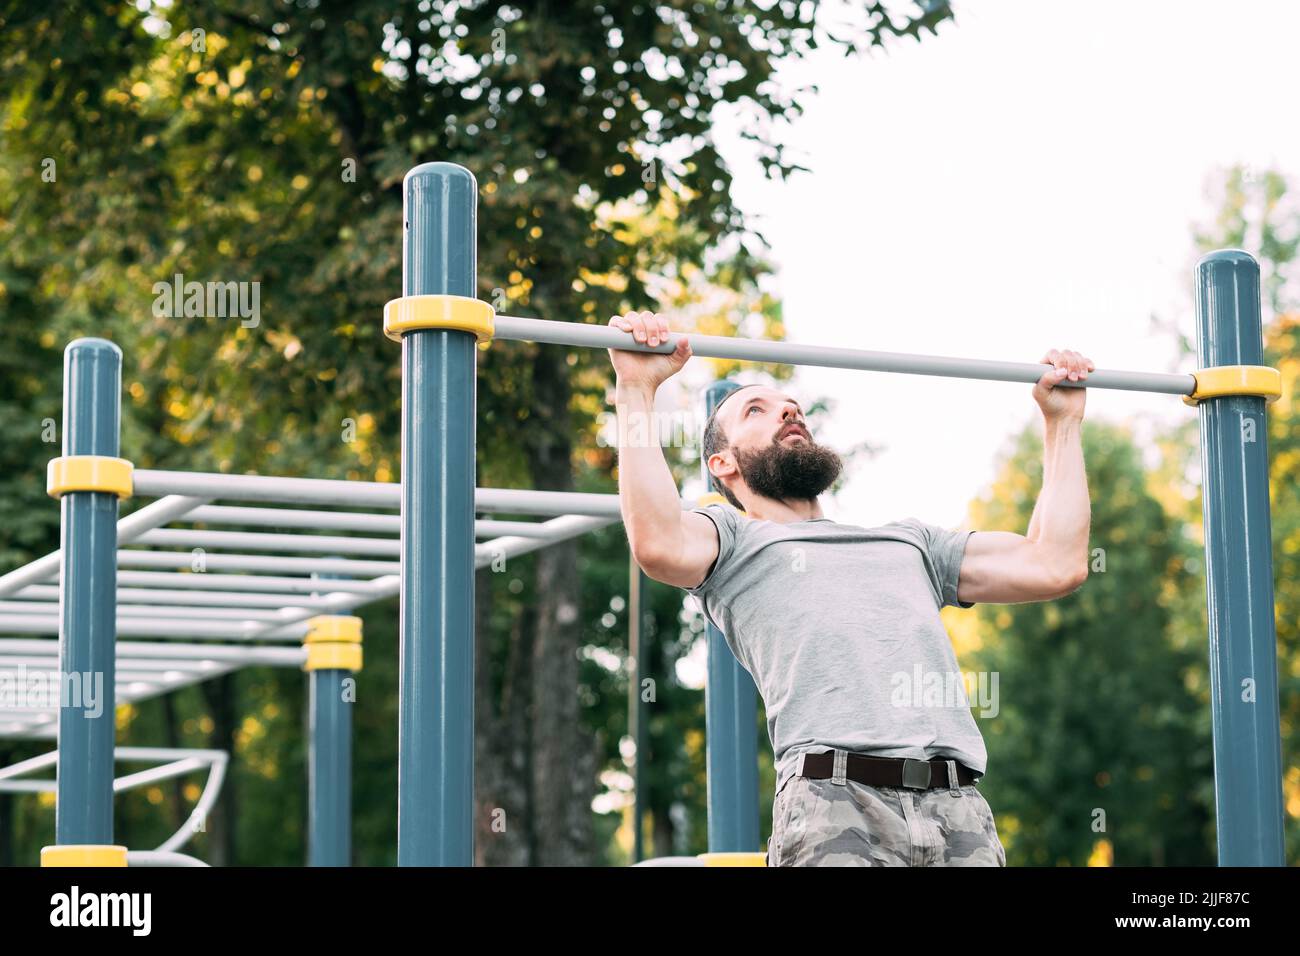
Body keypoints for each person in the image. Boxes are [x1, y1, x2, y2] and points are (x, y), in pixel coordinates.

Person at [607, 311, 1093, 867]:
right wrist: (636, 389)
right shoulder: (735, 540)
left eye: (788, 404)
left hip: (957, 808)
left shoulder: (909, 543)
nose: (787, 410)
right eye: (755, 410)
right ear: (724, 464)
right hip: (833, 800)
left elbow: (1055, 563)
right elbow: (658, 542)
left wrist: (1063, 423)